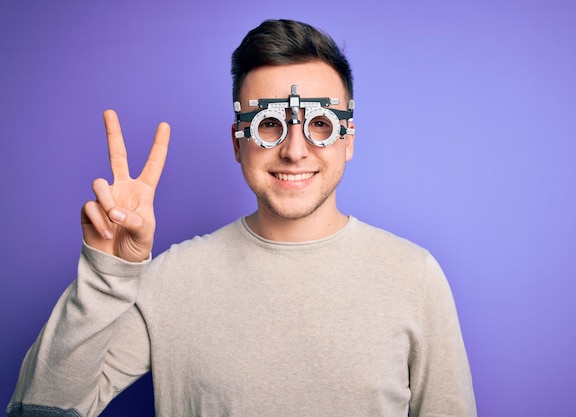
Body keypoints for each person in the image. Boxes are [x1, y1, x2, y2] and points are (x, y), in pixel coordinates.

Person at [7, 19, 476, 417]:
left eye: (320, 124)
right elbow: (40, 408)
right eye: (269, 124)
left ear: (348, 140)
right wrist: (107, 275)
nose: (295, 151)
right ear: (238, 142)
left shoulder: (414, 277)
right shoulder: (173, 280)